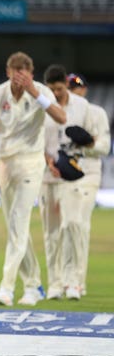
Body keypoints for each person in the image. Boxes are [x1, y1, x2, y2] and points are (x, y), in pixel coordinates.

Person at [0, 51, 66, 307]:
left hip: (31, 162)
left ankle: (6, 287)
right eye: (14, 76)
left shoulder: (40, 92)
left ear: (31, 73)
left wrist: (36, 94)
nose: (19, 82)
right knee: (16, 227)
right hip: (5, 163)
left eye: (23, 76)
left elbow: (61, 117)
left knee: (18, 221)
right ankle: (34, 284)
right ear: (8, 72)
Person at [39, 65, 95, 301]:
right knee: (51, 232)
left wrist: (82, 144)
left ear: (65, 85)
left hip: (72, 174)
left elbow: (92, 140)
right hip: (47, 176)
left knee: (71, 225)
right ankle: (54, 283)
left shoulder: (82, 106)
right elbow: (35, 139)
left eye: (60, 89)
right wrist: (48, 161)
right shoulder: (41, 105)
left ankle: (73, 282)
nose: (56, 94)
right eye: (51, 90)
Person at [67, 73, 111, 297]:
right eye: (70, 88)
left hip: (88, 172)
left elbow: (104, 147)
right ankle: (63, 281)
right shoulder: (59, 113)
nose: (75, 91)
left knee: (80, 224)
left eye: (78, 87)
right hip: (62, 174)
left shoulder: (97, 113)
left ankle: (77, 281)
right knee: (63, 228)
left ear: (84, 90)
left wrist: (85, 146)